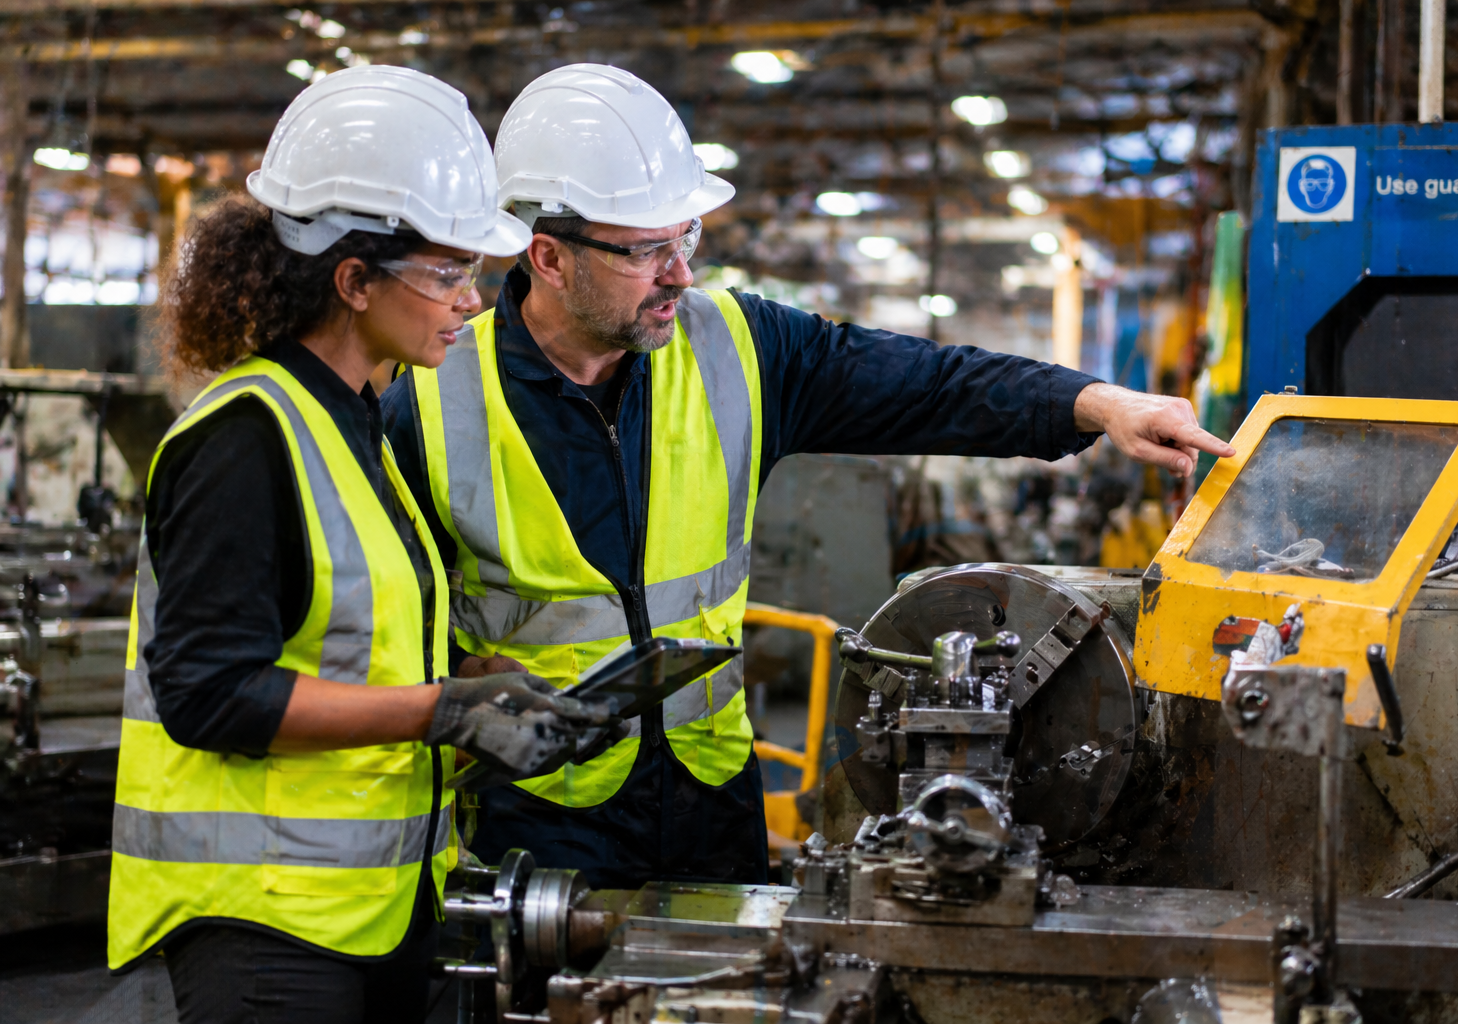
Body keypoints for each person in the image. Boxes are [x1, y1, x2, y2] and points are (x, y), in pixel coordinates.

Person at [381, 63, 1236, 891]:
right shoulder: (424, 404)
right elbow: (366, 630)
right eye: (647, 250)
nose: (682, 272)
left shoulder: (738, 350)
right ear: (550, 258)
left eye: (687, 238)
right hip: (538, 816)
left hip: (712, 800)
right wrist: (457, 673)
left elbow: (927, 383)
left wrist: (1095, 403)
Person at [106, 65, 619, 1024]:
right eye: (444, 272)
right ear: (352, 280)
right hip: (264, 926)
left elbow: (337, 638)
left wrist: (479, 677)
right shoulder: (244, 437)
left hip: (365, 912)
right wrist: (441, 710)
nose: (471, 300)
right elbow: (209, 692)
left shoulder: (354, 418)